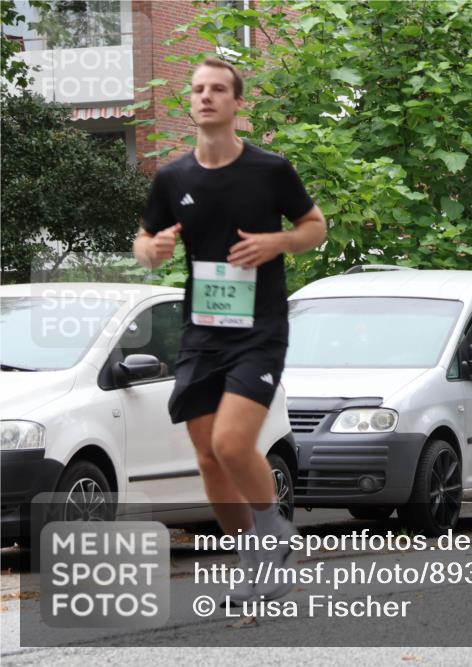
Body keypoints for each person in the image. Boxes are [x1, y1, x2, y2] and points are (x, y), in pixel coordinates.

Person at [133, 58, 326, 603]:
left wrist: (277, 243)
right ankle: (253, 558)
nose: (206, 97)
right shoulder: (174, 177)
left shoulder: (270, 170)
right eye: (197, 89)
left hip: (259, 330)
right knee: (207, 457)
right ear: (190, 102)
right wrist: (156, 250)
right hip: (201, 331)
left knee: (231, 441)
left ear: (238, 103)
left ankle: (275, 538)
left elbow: (315, 227)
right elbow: (144, 242)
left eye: (218, 89)